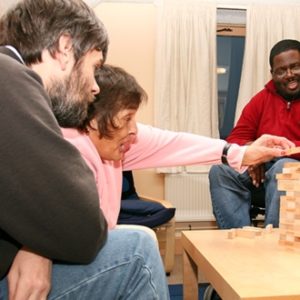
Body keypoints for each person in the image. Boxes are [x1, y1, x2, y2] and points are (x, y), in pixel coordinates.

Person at [0, 1, 170, 299]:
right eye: (95, 67)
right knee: (136, 251)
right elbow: (83, 228)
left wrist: (37, 247)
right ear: (65, 48)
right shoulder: (8, 76)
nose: (95, 87)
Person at [61, 64, 295, 231]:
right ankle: (240, 241)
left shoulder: (118, 138)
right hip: (79, 253)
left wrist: (244, 155)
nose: (134, 131)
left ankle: (270, 244)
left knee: (285, 167)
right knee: (139, 243)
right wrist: (249, 153)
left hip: (288, 171)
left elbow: (176, 143)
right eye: (126, 119)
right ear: (92, 119)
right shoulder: (67, 150)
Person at [209, 39, 300, 229]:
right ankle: (239, 241)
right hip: (263, 175)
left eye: (295, 67)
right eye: (281, 70)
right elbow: (235, 139)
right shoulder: (261, 99)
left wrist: (271, 153)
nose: (289, 75)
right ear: (273, 74)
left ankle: (274, 244)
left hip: (293, 173)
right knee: (221, 170)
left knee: (284, 166)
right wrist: (254, 154)